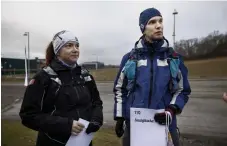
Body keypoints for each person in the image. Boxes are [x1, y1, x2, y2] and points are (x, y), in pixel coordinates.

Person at [113, 8, 191, 146]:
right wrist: (120, 117)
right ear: (143, 28)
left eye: (160, 21)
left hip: (165, 126)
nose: (159, 25)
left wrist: (171, 110)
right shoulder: (130, 59)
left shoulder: (174, 58)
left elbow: (182, 90)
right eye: (152, 22)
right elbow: (120, 89)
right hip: (135, 126)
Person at [19, 30, 103, 146]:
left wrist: (96, 120)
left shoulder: (85, 76)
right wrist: (66, 125)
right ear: (57, 51)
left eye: (77, 45)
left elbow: (96, 103)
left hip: (83, 141)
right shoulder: (43, 77)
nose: (75, 49)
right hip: (52, 142)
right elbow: (28, 116)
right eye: (69, 45)